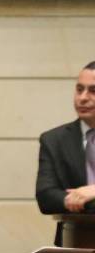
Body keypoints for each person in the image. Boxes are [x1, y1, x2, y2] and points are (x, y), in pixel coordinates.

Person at [36, 61, 95, 218]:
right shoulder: (53, 140)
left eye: (93, 91)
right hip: (75, 235)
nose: (83, 98)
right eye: (79, 89)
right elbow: (46, 197)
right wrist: (83, 199)